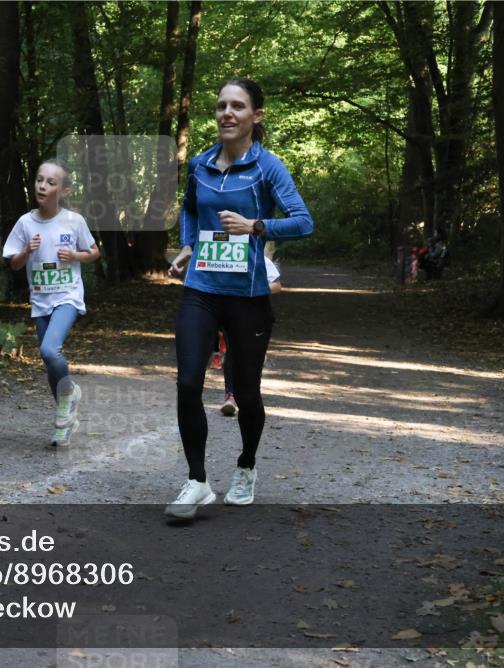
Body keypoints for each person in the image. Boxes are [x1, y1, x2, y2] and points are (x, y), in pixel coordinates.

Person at [164, 78, 313, 519]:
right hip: (201, 290)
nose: (227, 113)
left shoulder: (268, 167)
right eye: (221, 106)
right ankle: (196, 481)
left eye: (238, 106)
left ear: (256, 116)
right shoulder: (200, 165)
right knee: (189, 382)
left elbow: (304, 222)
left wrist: (257, 226)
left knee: (246, 392)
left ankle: (246, 464)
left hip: (248, 297)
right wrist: (188, 245)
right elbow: (191, 210)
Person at [3, 159, 101, 447]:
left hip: (68, 296)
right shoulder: (25, 223)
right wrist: (25, 250)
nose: (42, 186)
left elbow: (94, 251)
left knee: (49, 348)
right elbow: (14, 265)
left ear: (64, 190)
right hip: (40, 300)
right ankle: (64, 416)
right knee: (49, 361)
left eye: (51, 182)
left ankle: (68, 393)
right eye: (39, 180)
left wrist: (76, 257)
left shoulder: (74, 221)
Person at [218, 256, 281, 416]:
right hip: (230, 314)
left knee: (250, 356)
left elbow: (277, 286)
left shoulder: (259, 257)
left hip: (256, 315)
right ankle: (230, 396)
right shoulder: (223, 258)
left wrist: (255, 290)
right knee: (231, 350)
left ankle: (250, 395)